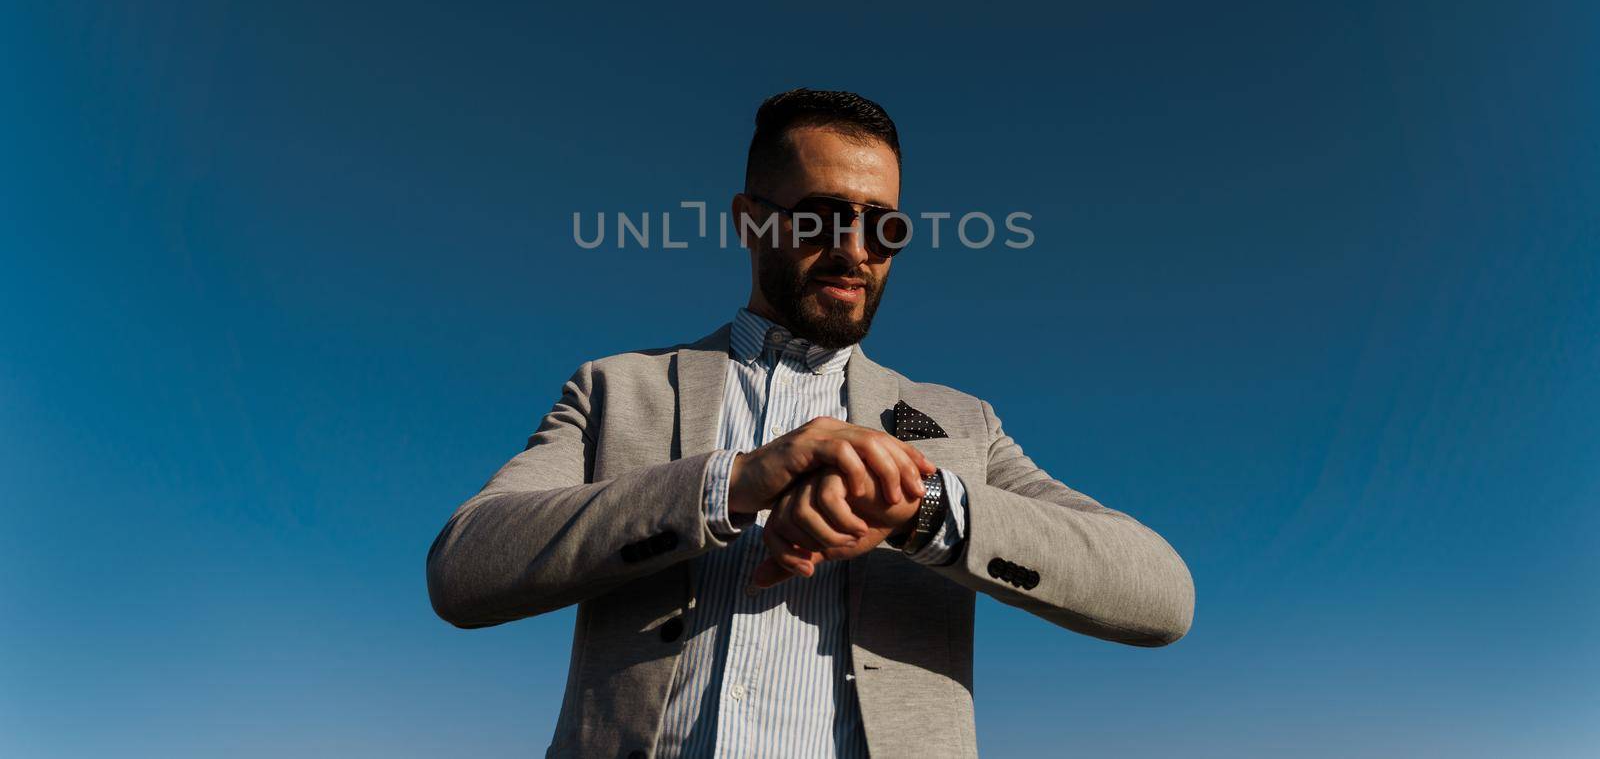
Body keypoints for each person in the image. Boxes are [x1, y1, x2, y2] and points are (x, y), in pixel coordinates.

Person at [426, 88, 1195, 759]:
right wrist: (731, 483)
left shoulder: (964, 424)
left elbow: (1161, 594)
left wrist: (922, 510)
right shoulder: (614, 389)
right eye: (825, 218)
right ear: (750, 220)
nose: (856, 251)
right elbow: (464, 567)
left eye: (883, 228)